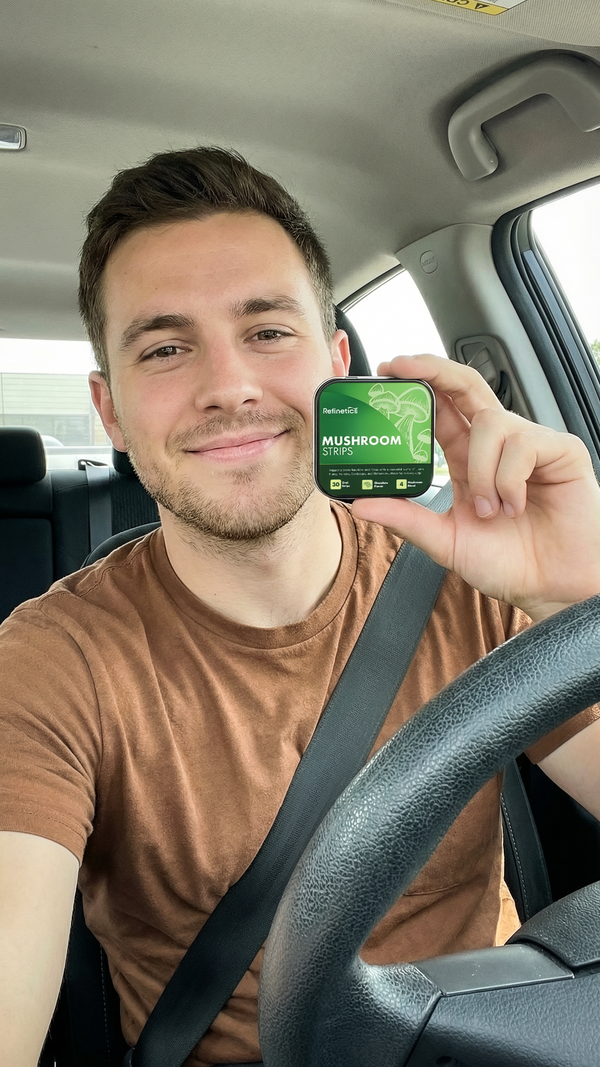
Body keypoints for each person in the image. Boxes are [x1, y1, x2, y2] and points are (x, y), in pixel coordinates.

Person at [1, 146, 600, 1067]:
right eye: (165, 348)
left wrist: (583, 607)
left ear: (337, 363)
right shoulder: (51, 659)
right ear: (110, 411)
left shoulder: (480, 583)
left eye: (268, 331)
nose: (229, 386)